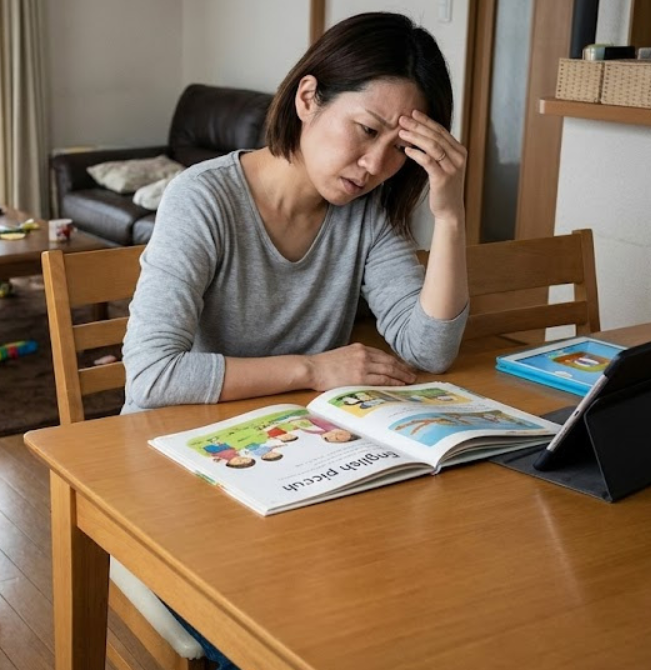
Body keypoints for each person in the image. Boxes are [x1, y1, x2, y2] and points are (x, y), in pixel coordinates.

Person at [121, 12, 469, 668]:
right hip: (171, 466)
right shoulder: (204, 199)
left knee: (402, 613)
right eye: (365, 132)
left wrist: (448, 214)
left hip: (294, 465)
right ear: (308, 99)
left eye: (399, 150)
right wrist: (313, 370)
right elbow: (152, 375)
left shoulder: (363, 214)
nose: (374, 166)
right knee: (271, 644)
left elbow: (429, 349)